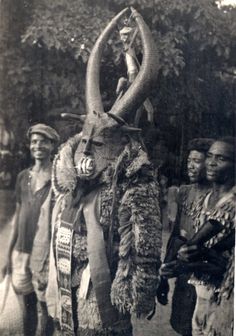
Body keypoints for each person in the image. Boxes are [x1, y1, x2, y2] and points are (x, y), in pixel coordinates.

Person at [46, 7, 161, 336]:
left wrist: (140, 291)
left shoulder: (133, 186)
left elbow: (143, 245)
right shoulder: (68, 185)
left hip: (106, 292)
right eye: (85, 143)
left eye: (97, 146)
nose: (86, 155)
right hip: (70, 287)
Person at [2, 123, 59, 336]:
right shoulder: (22, 177)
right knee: (26, 309)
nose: (38, 146)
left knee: (47, 309)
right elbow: (17, 217)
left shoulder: (58, 179)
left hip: (45, 256)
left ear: (53, 145)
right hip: (22, 253)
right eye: (34, 141)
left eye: (44, 141)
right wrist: (8, 254)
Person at [177, 137, 235, 336]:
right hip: (201, 295)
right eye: (209, 156)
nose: (211, 162)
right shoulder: (206, 199)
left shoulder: (232, 203)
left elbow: (222, 262)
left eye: (221, 158)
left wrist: (191, 256)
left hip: (225, 300)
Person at [159, 138, 214, 336]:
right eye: (189, 160)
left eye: (197, 161)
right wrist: (164, 276)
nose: (190, 166)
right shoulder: (183, 192)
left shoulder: (220, 196)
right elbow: (175, 237)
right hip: (183, 275)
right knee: (183, 326)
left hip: (207, 273)